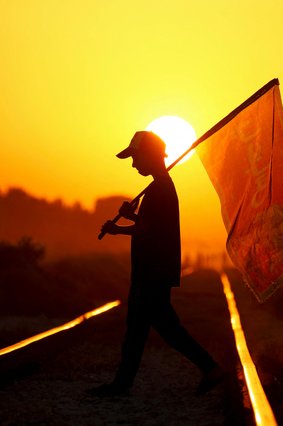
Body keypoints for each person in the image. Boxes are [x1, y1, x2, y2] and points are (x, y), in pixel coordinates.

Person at [87, 130, 225, 397]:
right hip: (153, 270)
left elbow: (149, 232)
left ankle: (122, 385)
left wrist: (119, 229)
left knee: (143, 328)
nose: (134, 164)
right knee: (156, 328)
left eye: (135, 157)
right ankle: (209, 369)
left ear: (149, 156)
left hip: (152, 272)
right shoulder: (160, 186)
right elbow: (152, 226)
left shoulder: (160, 188)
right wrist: (132, 216)